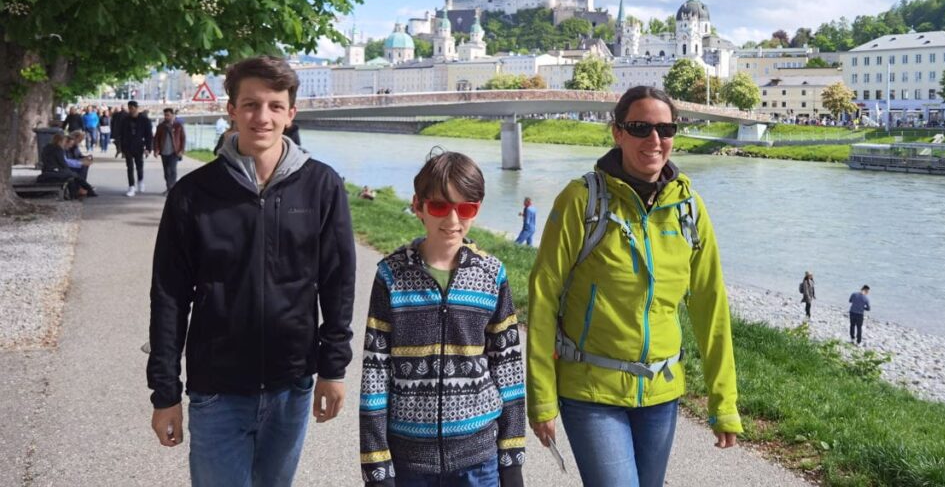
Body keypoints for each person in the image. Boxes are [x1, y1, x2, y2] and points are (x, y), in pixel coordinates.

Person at [147, 55, 357, 487]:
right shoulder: (193, 194)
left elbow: (338, 283)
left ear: (291, 113)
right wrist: (165, 393)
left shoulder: (322, 185)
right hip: (217, 389)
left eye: (275, 106)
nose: (263, 117)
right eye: (250, 105)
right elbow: (168, 296)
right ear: (231, 110)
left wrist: (332, 368)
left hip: (291, 383)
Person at [527, 86, 741, 487]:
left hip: (660, 393)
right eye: (640, 128)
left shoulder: (689, 208)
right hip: (591, 391)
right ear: (617, 133)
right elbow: (543, 297)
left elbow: (710, 305)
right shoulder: (582, 200)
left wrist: (723, 401)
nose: (655, 140)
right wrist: (541, 397)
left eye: (665, 128)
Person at [359, 150, 525, 487]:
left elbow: (507, 368)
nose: (452, 220)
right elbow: (375, 372)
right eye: (439, 207)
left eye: (466, 208)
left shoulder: (492, 274)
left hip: (479, 459)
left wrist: (512, 458)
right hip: (409, 461)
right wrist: (376, 463)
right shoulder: (390, 275)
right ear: (418, 206)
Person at [37, 131, 96, 198]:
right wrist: (69, 171)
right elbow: (63, 163)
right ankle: (88, 189)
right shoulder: (58, 150)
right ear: (60, 141)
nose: (65, 143)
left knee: (73, 175)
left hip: (50, 171)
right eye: (64, 141)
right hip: (53, 172)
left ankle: (86, 190)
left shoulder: (48, 147)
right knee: (73, 175)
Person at [116, 100, 152, 197]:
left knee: (139, 165)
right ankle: (131, 186)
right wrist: (121, 148)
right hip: (127, 146)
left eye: (132, 108)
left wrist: (148, 148)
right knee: (129, 167)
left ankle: (140, 180)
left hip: (139, 146)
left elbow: (149, 135)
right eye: (129, 108)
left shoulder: (144, 120)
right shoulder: (125, 120)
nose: (130, 110)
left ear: (136, 108)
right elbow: (121, 134)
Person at [154, 108, 186, 194]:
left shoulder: (178, 126)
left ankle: (172, 189)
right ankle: (169, 188)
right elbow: (156, 139)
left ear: (172, 115)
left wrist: (181, 150)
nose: (166, 117)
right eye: (165, 115)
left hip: (174, 152)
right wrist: (156, 150)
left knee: (172, 170)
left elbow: (183, 138)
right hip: (164, 152)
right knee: (166, 172)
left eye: (168, 115)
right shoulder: (161, 126)